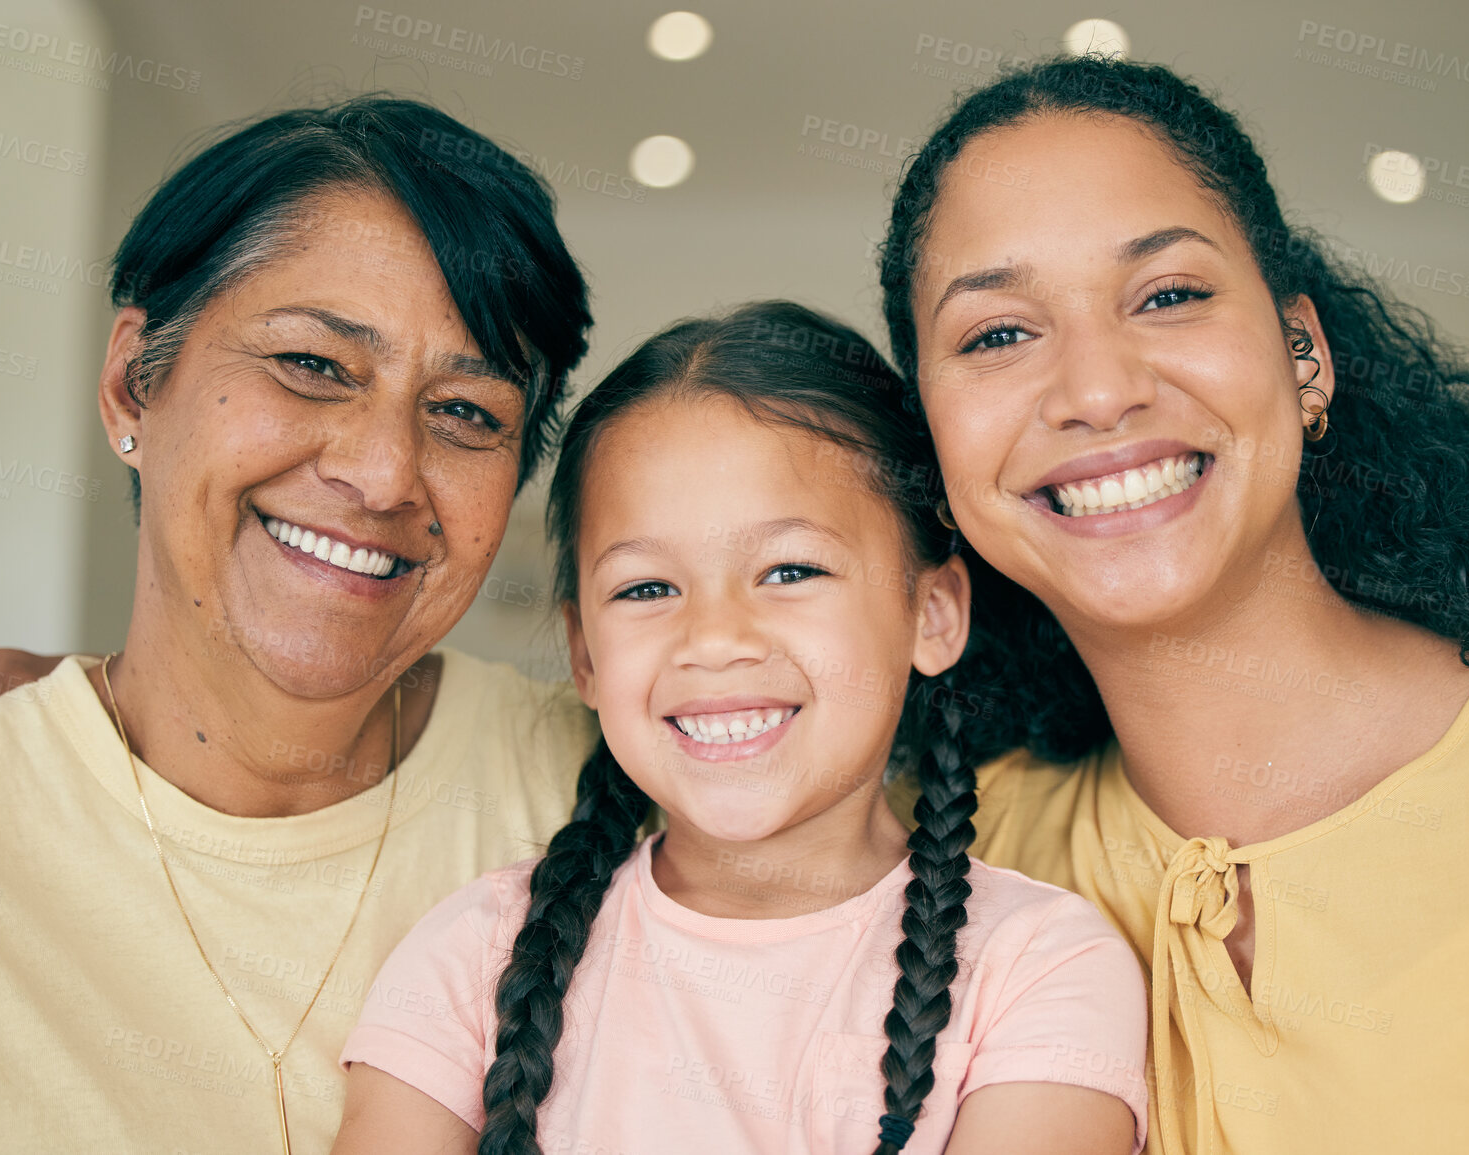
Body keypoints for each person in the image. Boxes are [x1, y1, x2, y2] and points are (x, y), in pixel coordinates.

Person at [876, 56, 1469, 1154]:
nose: (1099, 390)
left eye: (1168, 296)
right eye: (998, 335)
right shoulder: (946, 868)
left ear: (1303, 356)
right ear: (931, 441)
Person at [327, 302, 1150, 1155]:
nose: (713, 639)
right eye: (646, 588)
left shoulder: (1039, 967)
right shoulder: (474, 955)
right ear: (585, 656)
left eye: (789, 570)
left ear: (933, 612)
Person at [0, 98, 597, 1153]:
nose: (385, 472)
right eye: (311, 365)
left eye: (467, 414)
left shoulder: (624, 792)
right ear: (131, 384)